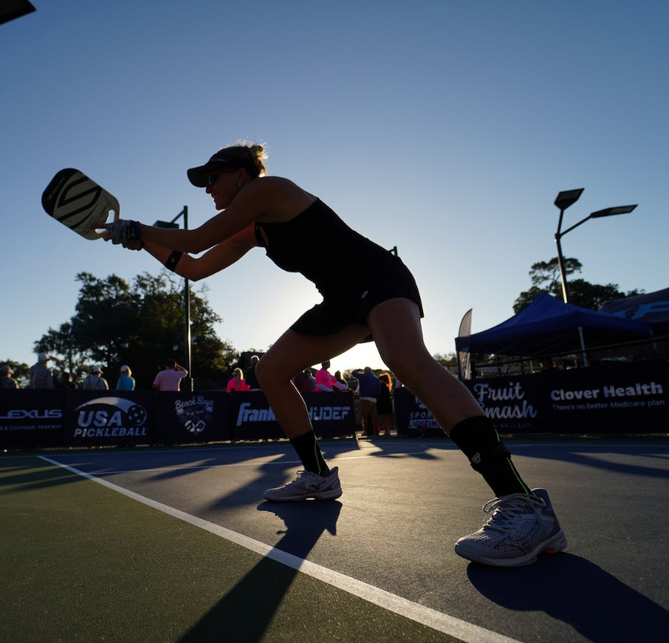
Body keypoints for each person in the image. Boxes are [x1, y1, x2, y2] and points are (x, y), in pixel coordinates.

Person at [98, 141, 565, 568]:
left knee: (404, 359)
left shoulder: (270, 190)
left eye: (210, 180)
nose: (207, 190)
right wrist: (144, 243)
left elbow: (197, 238)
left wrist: (139, 226)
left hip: (379, 277)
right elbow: (196, 267)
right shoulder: (251, 228)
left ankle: (522, 504)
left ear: (241, 175)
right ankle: (318, 475)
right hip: (341, 301)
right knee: (271, 370)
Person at [351, 366, 382, 436]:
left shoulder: (363, 377)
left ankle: (365, 431)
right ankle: (374, 432)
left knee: (365, 416)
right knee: (373, 417)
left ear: (365, 371)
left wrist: (358, 370)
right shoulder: (376, 379)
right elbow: (379, 391)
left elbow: (353, 373)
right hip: (374, 399)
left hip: (365, 398)